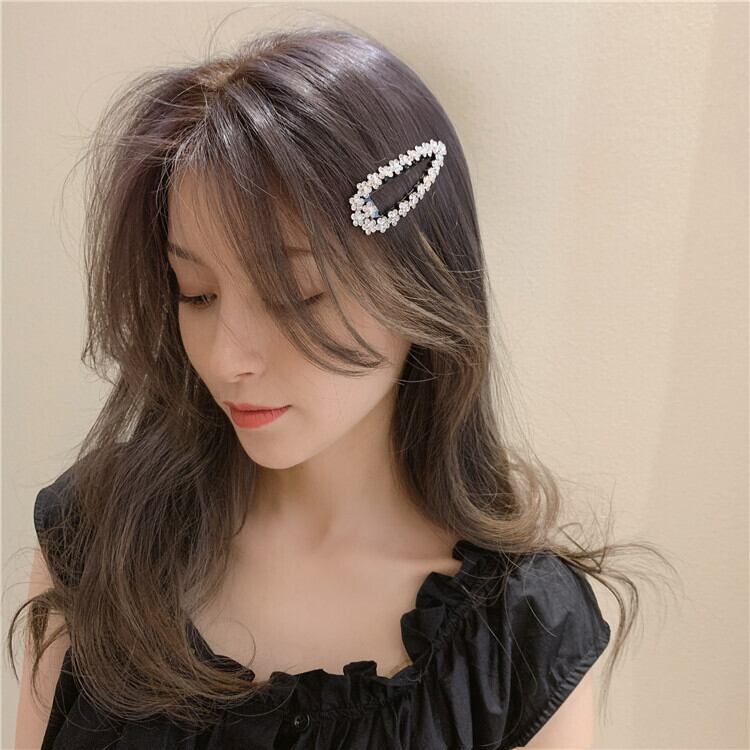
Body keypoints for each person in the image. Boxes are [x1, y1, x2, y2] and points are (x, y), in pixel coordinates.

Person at [10, 21, 671, 750]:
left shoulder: (519, 637)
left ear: (418, 281)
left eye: (293, 295)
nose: (228, 359)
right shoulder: (100, 535)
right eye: (196, 293)